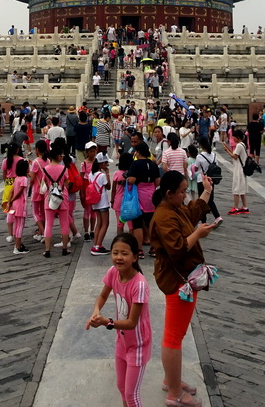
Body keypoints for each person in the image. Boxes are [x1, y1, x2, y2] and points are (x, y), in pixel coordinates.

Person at [150, 170, 218, 407]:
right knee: (173, 337)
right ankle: (175, 393)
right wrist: (198, 233)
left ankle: (172, 380)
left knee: (176, 334)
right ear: (169, 194)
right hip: (177, 281)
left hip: (184, 280)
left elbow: (192, 211)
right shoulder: (163, 216)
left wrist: (207, 191)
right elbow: (177, 248)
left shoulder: (174, 208)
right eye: (181, 192)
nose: (184, 195)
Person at [86, 233, 151, 407]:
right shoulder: (113, 272)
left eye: (124, 253)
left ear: (135, 257)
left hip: (137, 345)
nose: (119, 258)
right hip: (122, 342)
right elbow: (102, 295)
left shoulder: (139, 284)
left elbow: (132, 323)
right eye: (115, 253)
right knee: (121, 388)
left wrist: (106, 322)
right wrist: (96, 311)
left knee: (132, 395)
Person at [88, 153, 112, 255]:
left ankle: (95, 245)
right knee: (105, 223)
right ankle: (98, 245)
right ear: (101, 163)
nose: (106, 165)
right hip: (102, 201)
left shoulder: (90, 174)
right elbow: (108, 186)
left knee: (99, 223)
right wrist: (107, 173)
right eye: (106, 162)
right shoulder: (101, 175)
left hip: (95, 202)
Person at [223, 128, 249, 214]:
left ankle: (236, 207)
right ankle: (245, 207)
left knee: (236, 189)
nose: (233, 138)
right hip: (242, 169)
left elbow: (235, 156)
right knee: (242, 189)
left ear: (237, 137)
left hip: (239, 169)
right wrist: (228, 149)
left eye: (234, 137)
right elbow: (235, 154)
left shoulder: (238, 145)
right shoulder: (243, 144)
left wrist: (227, 151)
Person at [7, 159, 30, 254]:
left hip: (15, 205)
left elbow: (12, 191)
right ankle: (17, 246)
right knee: (20, 226)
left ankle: (17, 244)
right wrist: (12, 200)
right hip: (21, 205)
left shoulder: (17, 178)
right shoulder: (24, 179)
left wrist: (9, 201)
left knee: (17, 225)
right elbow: (20, 192)